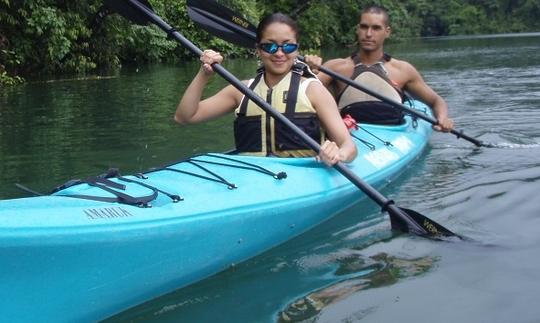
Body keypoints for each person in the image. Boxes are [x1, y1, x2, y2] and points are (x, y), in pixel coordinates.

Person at [175, 13, 357, 166]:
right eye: (270, 46)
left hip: (303, 174)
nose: (279, 53)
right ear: (258, 50)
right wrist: (204, 74)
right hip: (253, 177)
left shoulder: (313, 90)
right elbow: (184, 117)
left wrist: (337, 154)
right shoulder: (241, 90)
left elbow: (349, 146)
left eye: (288, 46)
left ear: (296, 50)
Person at [304, 5, 454, 131]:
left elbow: (436, 101)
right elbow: (300, 94)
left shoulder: (402, 70)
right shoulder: (335, 67)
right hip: (350, 132)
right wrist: (309, 71)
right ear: (358, 29)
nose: (368, 34)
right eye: (364, 27)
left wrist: (443, 118)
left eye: (376, 28)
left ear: (387, 32)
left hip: (393, 132)